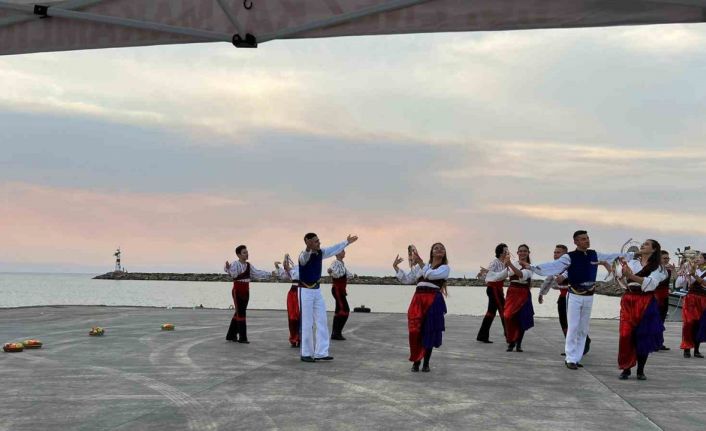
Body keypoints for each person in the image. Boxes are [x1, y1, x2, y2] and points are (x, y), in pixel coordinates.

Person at [526, 230, 633, 370]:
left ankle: (576, 357)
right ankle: (570, 358)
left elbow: (611, 256)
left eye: (587, 238)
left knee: (583, 329)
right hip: (575, 296)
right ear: (575, 242)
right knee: (573, 327)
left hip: (589, 296)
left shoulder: (594, 254)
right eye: (583, 239)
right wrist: (532, 267)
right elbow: (553, 266)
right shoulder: (569, 257)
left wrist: (632, 255)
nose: (587, 241)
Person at [298, 233, 358, 362]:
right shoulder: (303, 255)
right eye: (315, 241)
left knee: (322, 321)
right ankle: (306, 353)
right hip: (305, 291)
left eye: (318, 240)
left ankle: (321, 352)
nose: (319, 243)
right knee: (307, 323)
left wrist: (346, 242)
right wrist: (308, 249)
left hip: (317, 290)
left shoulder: (321, 252)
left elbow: (333, 249)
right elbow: (304, 259)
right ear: (308, 243)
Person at [615, 239, 667, 380]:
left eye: (647, 244)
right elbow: (621, 278)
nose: (643, 245)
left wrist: (631, 276)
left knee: (643, 335)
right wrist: (622, 269)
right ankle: (626, 368)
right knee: (625, 335)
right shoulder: (632, 262)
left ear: (654, 249)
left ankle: (640, 370)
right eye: (643, 243)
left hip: (645, 301)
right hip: (629, 299)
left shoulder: (658, 267)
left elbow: (651, 284)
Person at [394, 243, 449, 372]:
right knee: (415, 331)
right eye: (436, 248)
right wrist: (396, 267)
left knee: (428, 331)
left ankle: (425, 363)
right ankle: (416, 360)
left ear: (444, 253)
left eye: (442, 248)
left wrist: (421, 263)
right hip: (418, 300)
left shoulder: (445, 268)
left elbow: (431, 275)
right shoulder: (422, 267)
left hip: (433, 300)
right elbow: (407, 280)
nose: (439, 249)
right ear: (432, 252)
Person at [538, 244, 592, 356]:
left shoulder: (571, 265)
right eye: (554, 252)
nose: (555, 255)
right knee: (564, 323)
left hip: (574, 297)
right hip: (562, 298)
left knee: (575, 323)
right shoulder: (554, 267)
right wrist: (541, 293)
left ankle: (584, 342)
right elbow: (548, 280)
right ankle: (570, 347)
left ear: (565, 255)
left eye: (558, 252)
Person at [224, 245, 274, 343]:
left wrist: (269, 274)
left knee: (239, 312)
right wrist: (228, 268)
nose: (247, 254)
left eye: (247, 252)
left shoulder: (249, 265)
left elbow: (257, 273)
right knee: (241, 313)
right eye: (244, 253)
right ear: (238, 255)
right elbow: (233, 274)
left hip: (246, 291)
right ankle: (242, 338)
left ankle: (230, 335)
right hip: (237, 291)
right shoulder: (235, 264)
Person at [503, 244, 534, 352]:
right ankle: (511, 340)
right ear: (517, 253)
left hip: (523, 293)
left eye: (525, 251)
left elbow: (521, 274)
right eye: (520, 251)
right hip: (512, 292)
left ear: (528, 252)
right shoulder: (514, 263)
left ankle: (518, 344)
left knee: (521, 318)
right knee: (507, 316)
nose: (522, 253)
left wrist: (510, 264)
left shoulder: (530, 266)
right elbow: (506, 274)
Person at [476, 243, 509, 344]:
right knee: (503, 310)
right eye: (505, 251)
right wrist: (481, 274)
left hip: (498, 288)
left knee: (491, 312)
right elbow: (487, 275)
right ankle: (509, 335)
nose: (507, 253)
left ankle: (482, 335)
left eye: (507, 251)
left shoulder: (505, 262)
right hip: (493, 288)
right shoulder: (495, 262)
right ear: (500, 252)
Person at [675, 252, 706, 358]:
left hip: (703, 300)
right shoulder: (691, 269)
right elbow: (679, 283)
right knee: (688, 323)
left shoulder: (697, 272)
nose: (697, 259)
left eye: (700, 258)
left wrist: (693, 274)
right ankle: (687, 348)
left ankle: (696, 349)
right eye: (697, 258)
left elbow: (704, 283)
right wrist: (683, 272)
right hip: (691, 299)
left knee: (699, 324)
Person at [328, 250, 355, 340]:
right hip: (337, 290)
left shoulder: (341, 263)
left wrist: (352, 276)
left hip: (341, 290)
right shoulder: (335, 263)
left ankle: (336, 333)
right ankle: (336, 333)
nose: (344, 252)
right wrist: (331, 271)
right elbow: (334, 272)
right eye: (342, 251)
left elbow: (347, 274)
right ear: (337, 253)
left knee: (339, 310)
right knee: (344, 310)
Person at [275, 254, 301, 348]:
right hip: (293, 292)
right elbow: (284, 276)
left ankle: (301, 338)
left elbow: (297, 275)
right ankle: (294, 338)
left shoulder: (308, 268)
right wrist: (279, 267)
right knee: (292, 317)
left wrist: (288, 269)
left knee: (302, 316)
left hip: (303, 292)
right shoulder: (296, 267)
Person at [654, 250, 674, 351]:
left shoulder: (668, 270)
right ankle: (654, 343)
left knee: (661, 321)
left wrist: (673, 271)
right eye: (664, 258)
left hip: (665, 297)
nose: (666, 260)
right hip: (656, 297)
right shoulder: (655, 270)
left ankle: (659, 343)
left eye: (668, 258)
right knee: (654, 320)